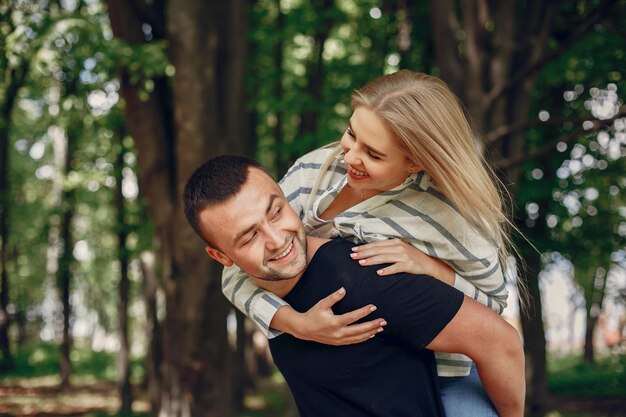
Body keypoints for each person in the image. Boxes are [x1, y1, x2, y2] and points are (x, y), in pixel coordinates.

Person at [222, 70, 517, 416]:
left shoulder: (447, 215)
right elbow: (236, 269)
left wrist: (434, 270)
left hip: (443, 376)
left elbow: (494, 307)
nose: (349, 157)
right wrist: (295, 323)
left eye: (374, 155)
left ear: (415, 163)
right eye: (351, 134)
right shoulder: (314, 170)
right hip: (350, 373)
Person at [183, 156, 525, 417]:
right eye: (249, 237)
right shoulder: (262, 293)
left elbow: (500, 341)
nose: (275, 240)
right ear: (220, 256)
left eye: (276, 212)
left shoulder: (363, 275)